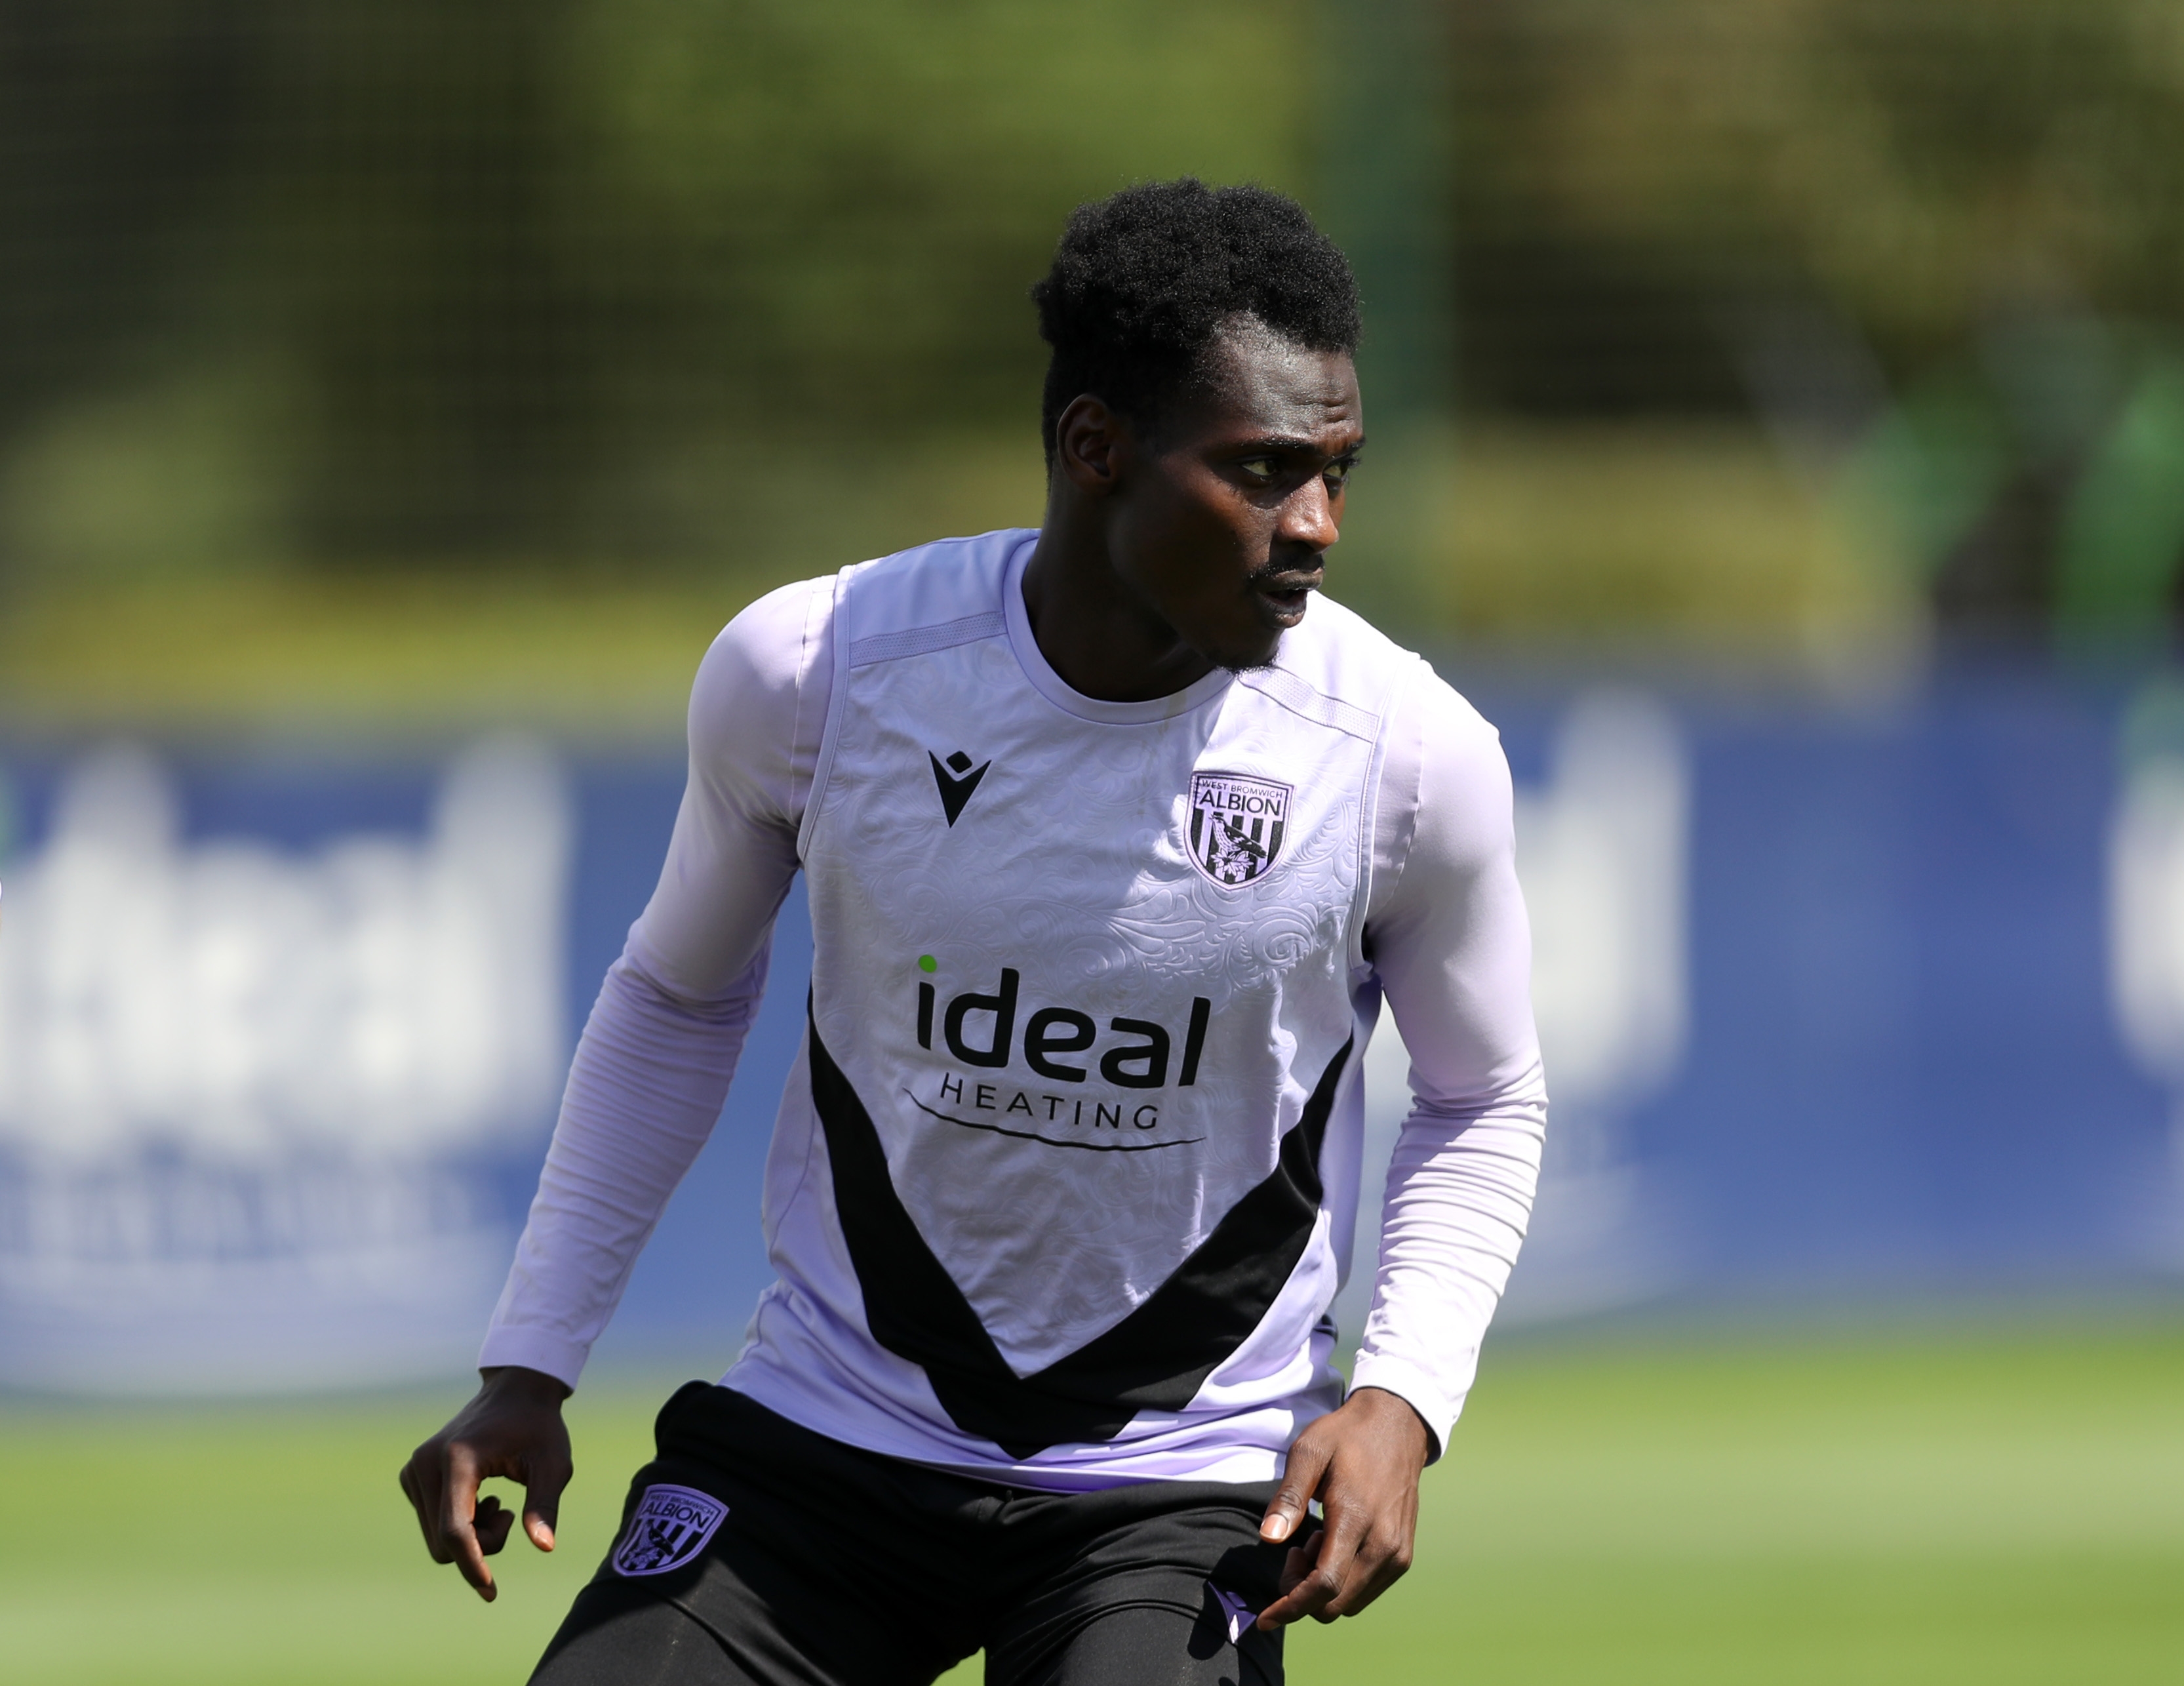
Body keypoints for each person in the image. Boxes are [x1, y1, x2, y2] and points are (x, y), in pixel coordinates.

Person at [399, 178, 1547, 1686]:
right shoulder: (818, 672)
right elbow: (675, 1000)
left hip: (1184, 1480)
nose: (1316, 525)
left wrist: (1400, 1394)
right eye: (1262, 470)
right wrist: (529, 1361)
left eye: (1337, 469)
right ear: (1095, 449)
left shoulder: (1405, 754)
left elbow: (1480, 1092)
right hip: (826, 1434)